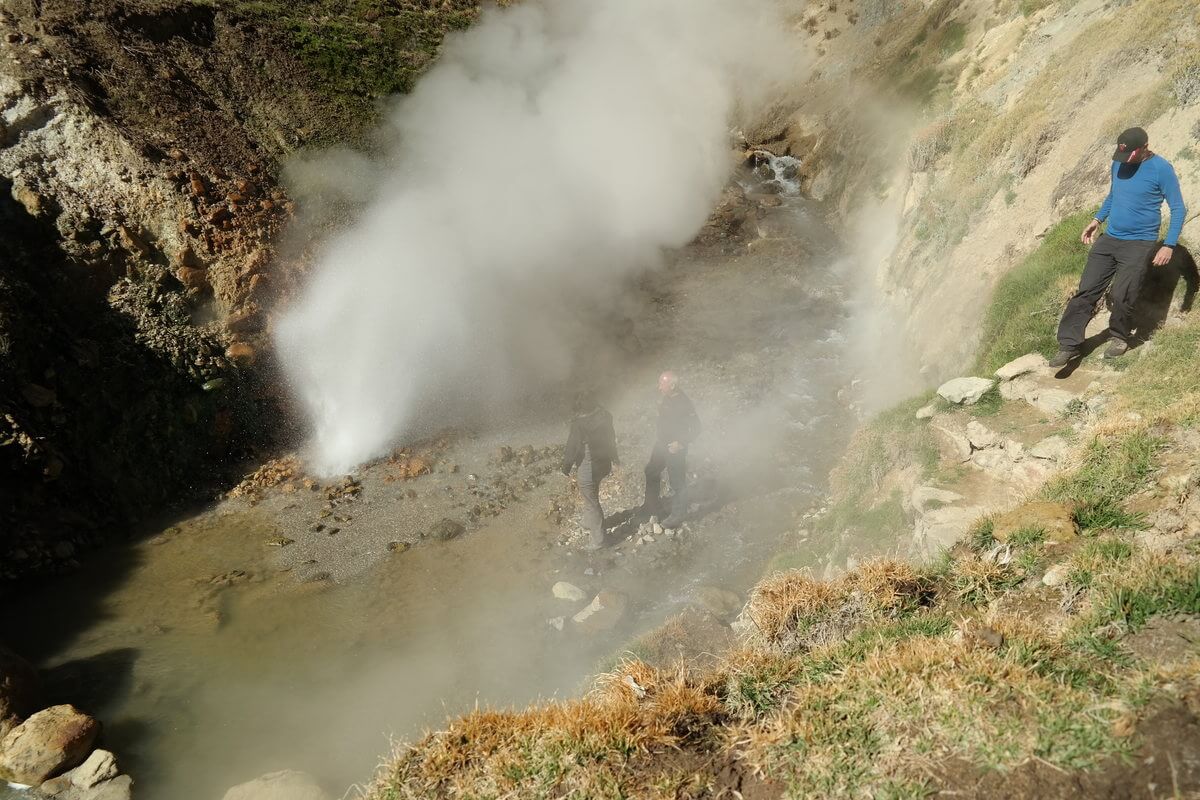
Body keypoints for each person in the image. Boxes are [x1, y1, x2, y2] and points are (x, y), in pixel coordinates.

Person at [1050, 126, 1187, 367]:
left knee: (1123, 293)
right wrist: (1097, 220)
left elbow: (1178, 208)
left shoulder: (1161, 169)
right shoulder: (1119, 162)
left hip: (1139, 243)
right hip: (1110, 238)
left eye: (1130, 155)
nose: (1125, 161)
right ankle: (1069, 345)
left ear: (1144, 147)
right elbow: (1113, 196)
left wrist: (1169, 245)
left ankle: (1119, 336)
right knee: (1086, 291)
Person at [561, 392, 619, 551]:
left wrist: (566, 467)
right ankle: (588, 521)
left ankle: (599, 541)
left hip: (588, 465)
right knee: (591, 492)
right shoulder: (606, 415)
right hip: (603, 462)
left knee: (591, 500)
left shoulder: (579, 424)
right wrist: (615, 458)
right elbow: (611, 438)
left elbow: (572, 447)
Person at [643, 371, 700, 528]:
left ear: (672, 385)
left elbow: (696, 428)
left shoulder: (684, 403)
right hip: (661, 444)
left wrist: (680, 443)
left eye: (662, 383)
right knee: (651, 471)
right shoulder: (667, 398)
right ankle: (652, 506)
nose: (659, 386)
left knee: (677, 483)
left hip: (675, 448)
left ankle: (678, 514)